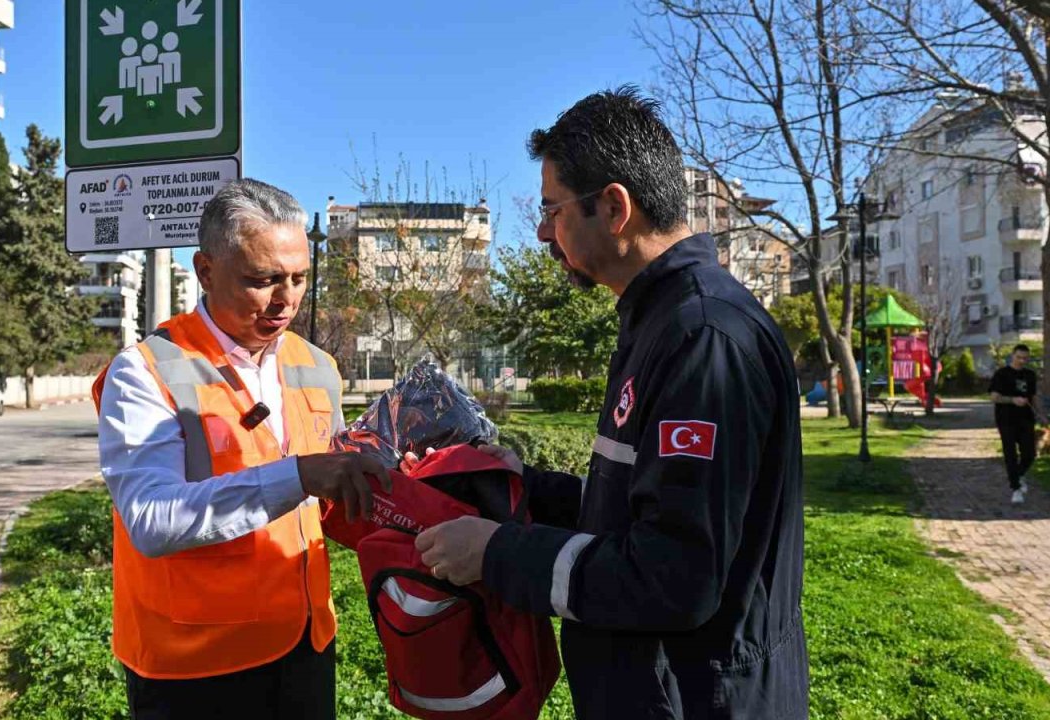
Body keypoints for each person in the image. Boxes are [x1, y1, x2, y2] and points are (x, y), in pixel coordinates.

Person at [413, 87, 808, 719]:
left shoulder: (702, 336)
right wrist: (526, 486)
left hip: (697, 700)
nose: (543, 231)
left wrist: (495, 553)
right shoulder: (659, 320)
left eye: (553, 210)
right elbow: (645, 509)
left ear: (614, 206)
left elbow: (676, 574)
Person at [94, 179, 388, 719]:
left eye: (300, 277)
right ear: (205, 270)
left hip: (305, 646)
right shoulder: (145, 370)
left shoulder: (317, 365)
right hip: (193, 668)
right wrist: (299, 475)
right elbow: (152, 519)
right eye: (264, 280)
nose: (287, 299)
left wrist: (403, 486)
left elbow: (327, 498)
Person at [989, 343, 1045, 505]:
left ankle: (1019, 475)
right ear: (1012, 356)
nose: (1022, 361)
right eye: (1019, 357)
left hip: (1026, 419)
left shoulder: (1030, 375)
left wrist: (1041, 414)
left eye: (1025, 358)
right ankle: (1016, 489)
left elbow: (1034, 397)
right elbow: (994, 397)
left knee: (1030, 454)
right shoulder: (1002, 374)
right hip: (1006, 419)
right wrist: (1012, 400)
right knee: (1010, 454)